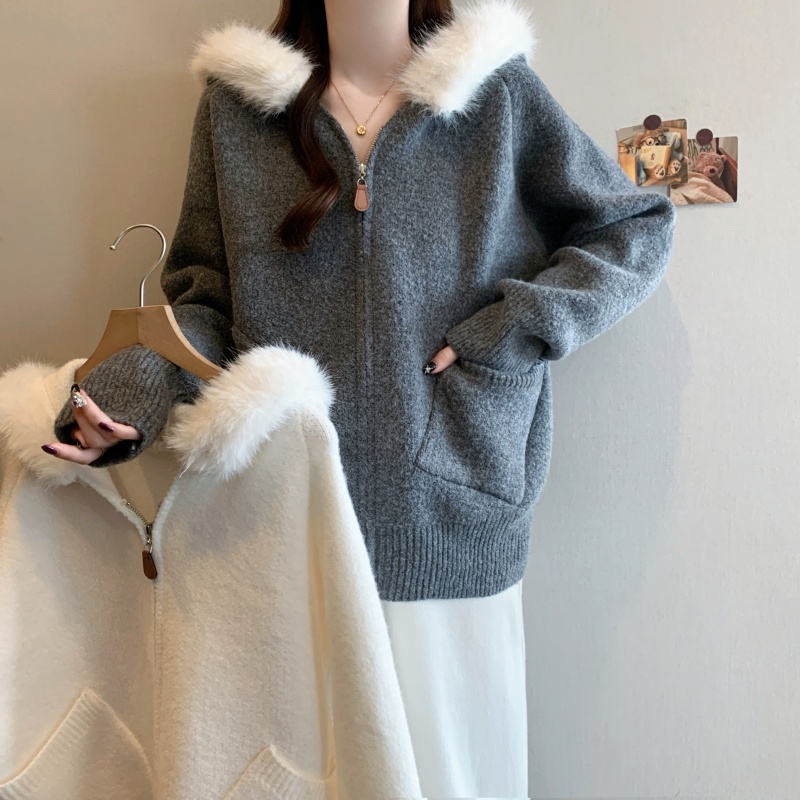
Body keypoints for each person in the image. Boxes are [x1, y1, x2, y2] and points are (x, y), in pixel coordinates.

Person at [41, 0, 677, 795]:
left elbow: (634, 225)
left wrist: (513, 330)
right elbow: (204, 299)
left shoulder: (495, 92)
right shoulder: (237, 112)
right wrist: (134, 386)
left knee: (451, 779)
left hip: (454, 510)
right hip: (285, 518)